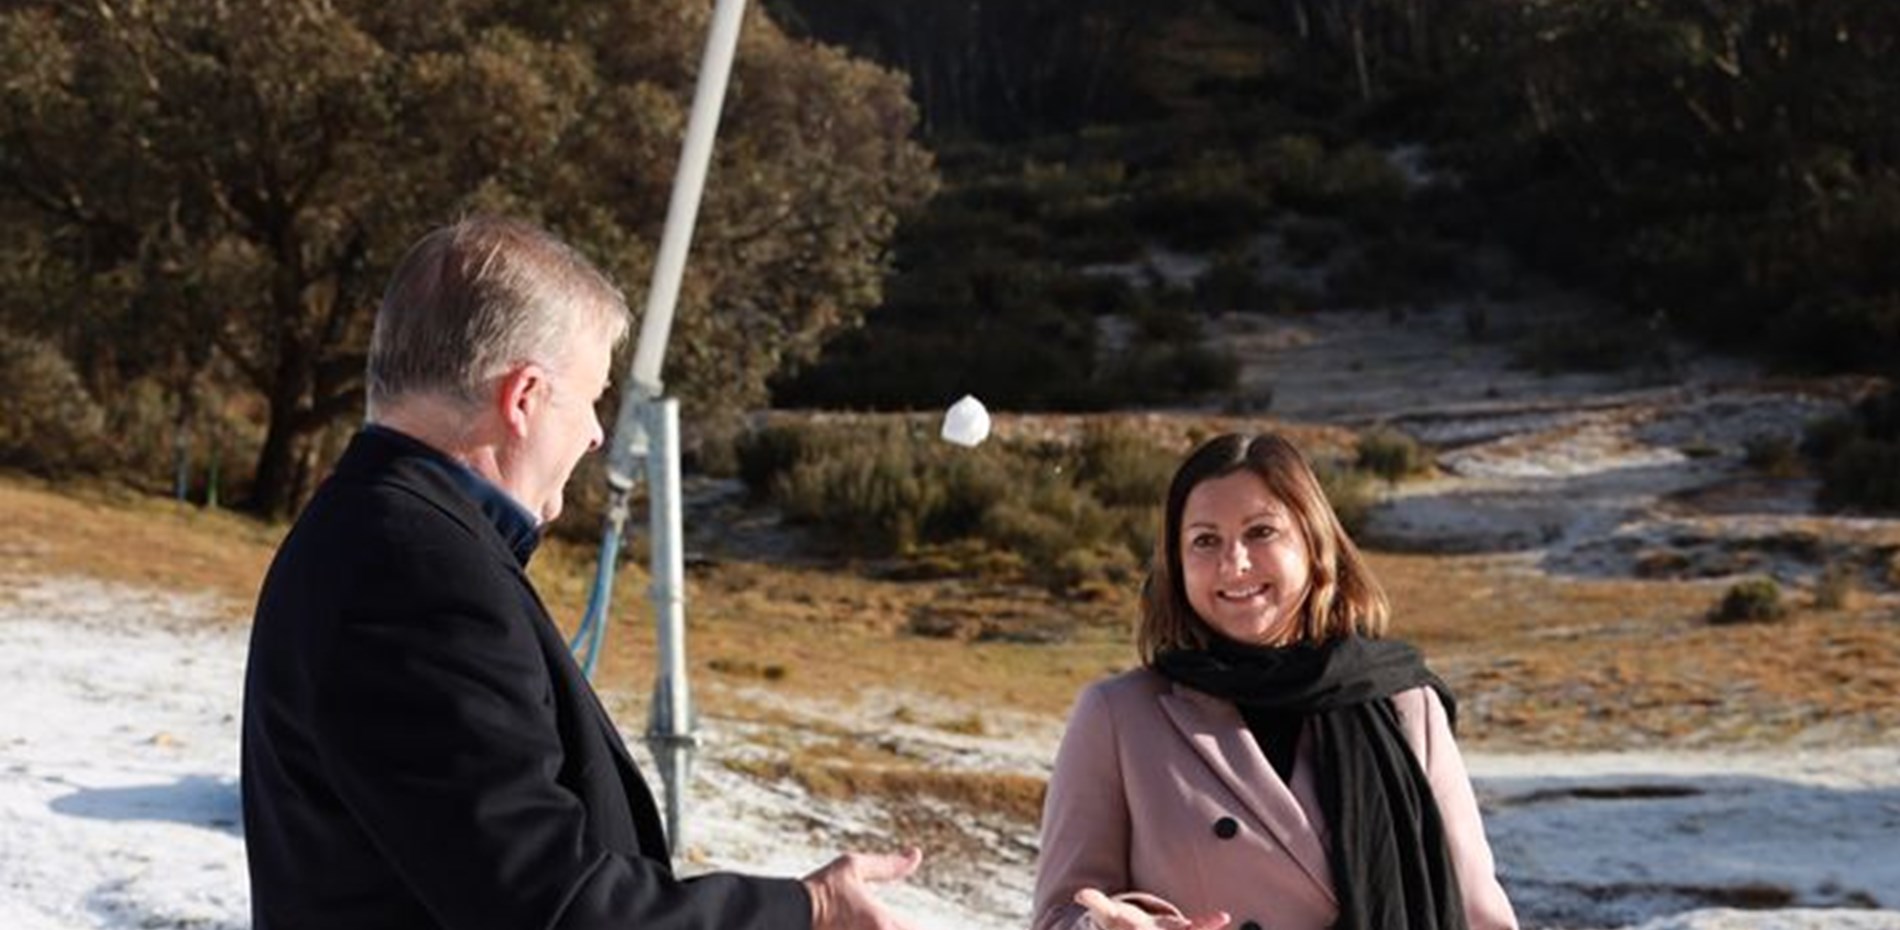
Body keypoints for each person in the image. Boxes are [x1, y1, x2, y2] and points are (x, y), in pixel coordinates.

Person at [242, 215, 921, 930]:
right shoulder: (418, 573)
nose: (598, 432)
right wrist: (805, 910)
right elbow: (553, 906)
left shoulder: (372, 527)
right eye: (591, 396)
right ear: (525, 398)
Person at [1029, 433, 1517, 930]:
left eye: (1261, 532)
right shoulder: (1118, 716)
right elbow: (1058, 915)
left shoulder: (1404, 703)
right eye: (1205, 540)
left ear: (1314, 542)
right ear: (1176, 565)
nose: (1234, 563)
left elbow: (1479, 915)